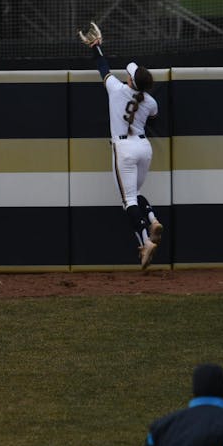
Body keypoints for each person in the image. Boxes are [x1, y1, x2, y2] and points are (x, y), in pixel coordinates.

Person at [81, 22, 163, 269]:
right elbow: (153, 116)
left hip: (124, 149)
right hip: (144, 147)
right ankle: (153, 219)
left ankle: (146, 243)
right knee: (135, 196)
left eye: (129, 74)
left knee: (128, 201)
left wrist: (96, 47)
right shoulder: (150, 101)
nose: (126, 75)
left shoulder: (116, 89)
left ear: (130, 81)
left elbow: (102, 68)